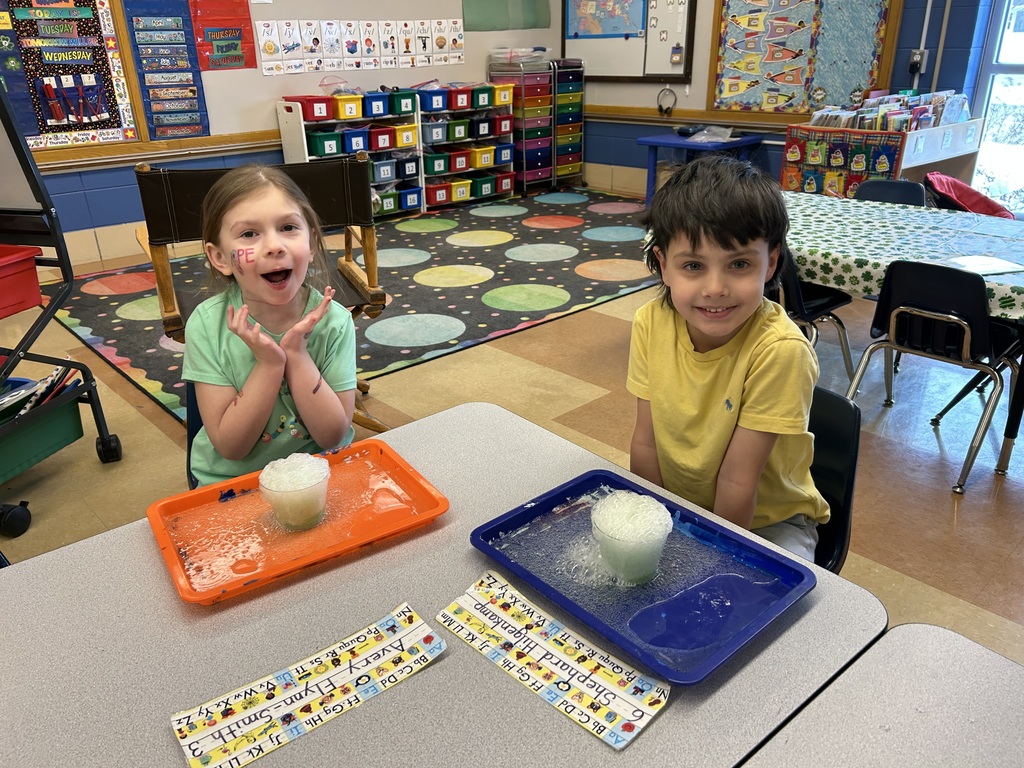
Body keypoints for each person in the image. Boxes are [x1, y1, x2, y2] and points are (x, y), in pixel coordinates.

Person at [628, 154, 828, 561]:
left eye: (738, 264)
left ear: (770, 263)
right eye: (694, 266)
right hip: (682, 501)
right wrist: (652, 523)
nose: (715, 288)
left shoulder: (779, 351)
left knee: (751, 609)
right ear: (664, 266)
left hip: (766, 522)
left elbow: (739, 482)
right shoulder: (652, 322)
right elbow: (645, 443)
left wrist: (703, 558)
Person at [182, 165, 356, 486]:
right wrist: (269, 363)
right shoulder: (207, 325)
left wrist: (297, 354)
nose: (275, 246)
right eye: (249, 234)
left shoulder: (335, 322)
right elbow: (231, 447)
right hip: (233, 483)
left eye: (288, 227)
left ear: (312, 242)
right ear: (220, 257)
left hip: (317, 474)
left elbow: (333, 436)